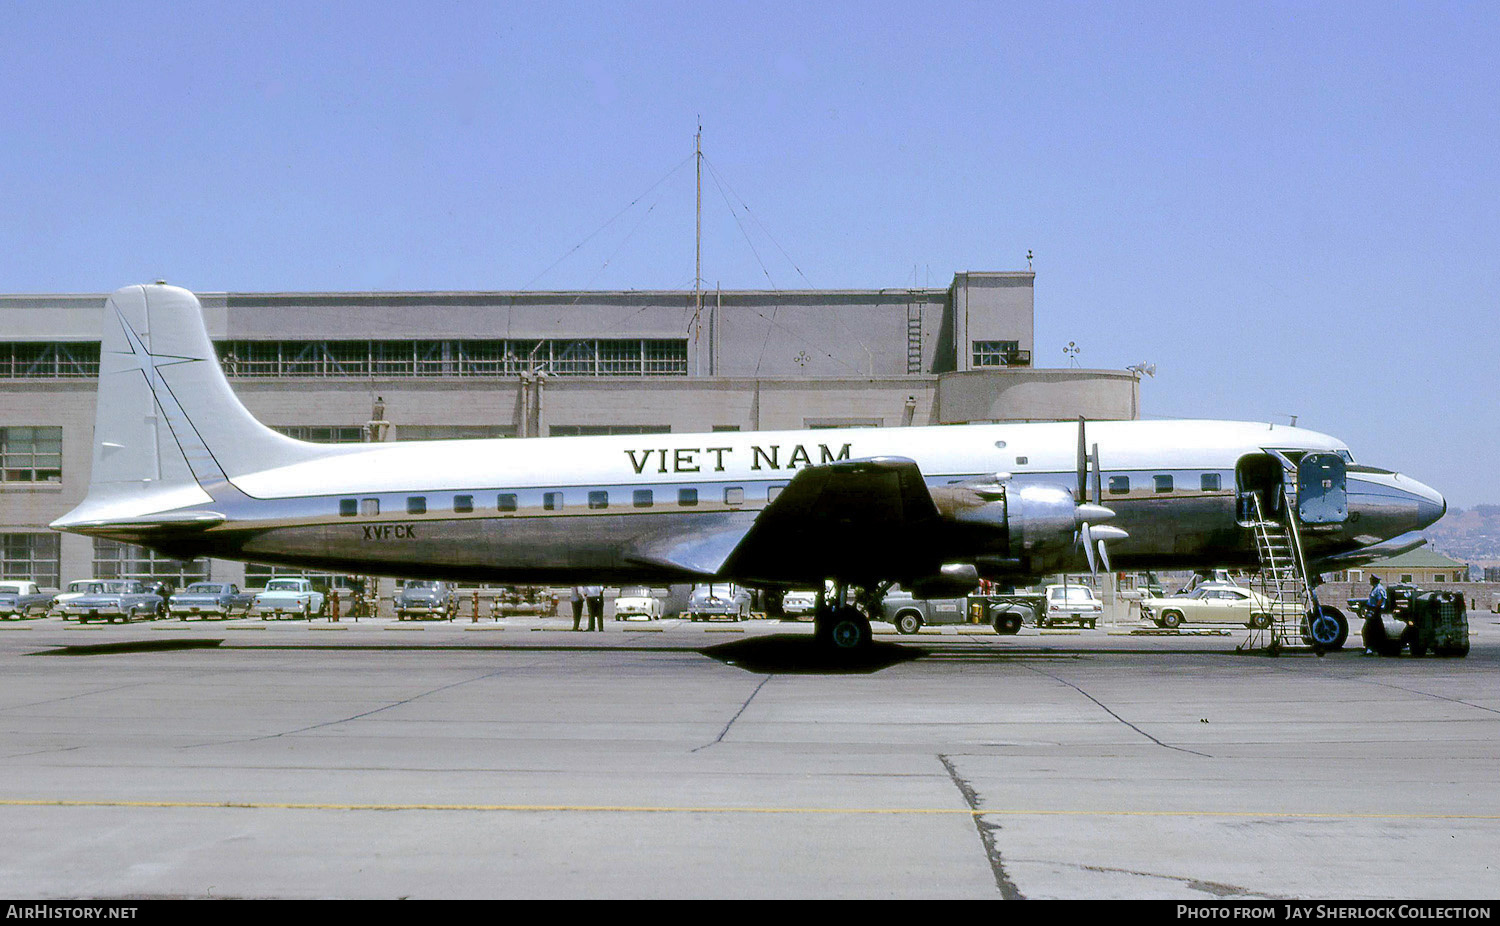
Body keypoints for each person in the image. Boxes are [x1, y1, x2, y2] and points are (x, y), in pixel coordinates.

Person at [1363, 575, 1389, 655]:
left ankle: (1372, 648)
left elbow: (1380, 600)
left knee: (1368, 631)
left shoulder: (1379, 589)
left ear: (1375, 580)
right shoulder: (1375, 588)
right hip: (1373, 611)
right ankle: (1373, 648)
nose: (1370, 580)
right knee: (1373, 631)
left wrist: (1374, 611)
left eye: (1371, 579)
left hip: (1376, 612)